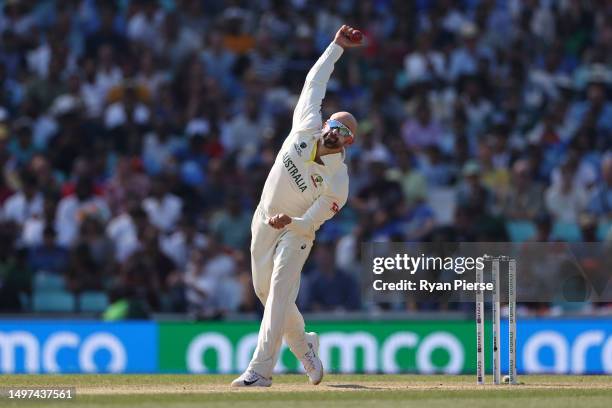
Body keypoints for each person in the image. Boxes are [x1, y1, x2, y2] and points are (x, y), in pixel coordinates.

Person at [231, 25, 363, 388]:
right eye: (334, 124)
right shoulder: (306, 125)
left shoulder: (339, 181)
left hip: (296, 234)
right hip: (263, 218)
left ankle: (260, 371)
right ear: (326, 123)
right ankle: (306, 348)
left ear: (348, 143)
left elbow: (313, 221)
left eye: (343, 133)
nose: (334, 132)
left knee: (277, 293)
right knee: (264, 293)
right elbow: (314, 82)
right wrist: (336, 46)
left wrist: (293, 220)